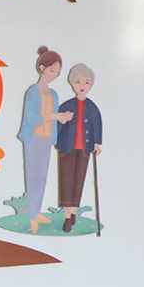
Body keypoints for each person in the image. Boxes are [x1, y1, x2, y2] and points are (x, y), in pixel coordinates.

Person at [16, 46, 73, 231]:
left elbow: (52, 117)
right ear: (42, 68)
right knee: (33, 176)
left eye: (57, 72)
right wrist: (56, 116)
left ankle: (36, 211)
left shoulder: (53, 94)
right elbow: (32, 118)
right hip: (33, 138)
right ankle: (32, 215)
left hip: (47, 138)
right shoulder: (33, 92)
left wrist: (61, 118)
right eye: (52, 70)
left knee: (42, 177)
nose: (54, 75)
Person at [55, 63, 103, 233]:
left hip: (85, 148)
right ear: (72, 83)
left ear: (91, 85)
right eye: (78, 82)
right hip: (66, 147)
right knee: (66, 180)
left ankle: (74, 211)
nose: (82, 86)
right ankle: (68, 215)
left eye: (87, 82)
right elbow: (57, 125)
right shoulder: (66, 106)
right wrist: (54, 136)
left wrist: (97, 143)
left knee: (78, 180)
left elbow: (97, 124)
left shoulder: (92, 107)